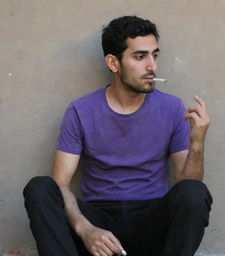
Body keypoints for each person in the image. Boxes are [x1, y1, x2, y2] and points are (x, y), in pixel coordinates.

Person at [23, 16, 213, 256]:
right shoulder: (81, 110)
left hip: (150, 222)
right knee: (40, 188)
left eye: (155, 55)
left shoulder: (172, 108)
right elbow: (60, 184)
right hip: (99, 221)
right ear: (113, 63)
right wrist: (86, 229)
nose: (152, 66)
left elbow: (187, 185)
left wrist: (197, 142)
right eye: (140, 56)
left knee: (194, 192)